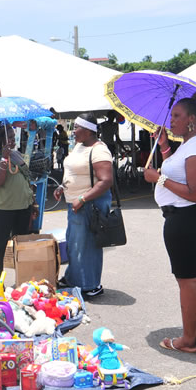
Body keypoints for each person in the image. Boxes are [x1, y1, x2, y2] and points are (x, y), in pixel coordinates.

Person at [144, 92, 196, 353]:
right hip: (183, 216)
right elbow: (175, 170)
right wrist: (164, 147)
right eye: (171, 115)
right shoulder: (189, 144)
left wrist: (158, 179)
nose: (171, 120)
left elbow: (195, 192)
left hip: (187, 216)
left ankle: (187, 340)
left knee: (187, 279)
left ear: (191, 120)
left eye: (176, 116)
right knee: (189, 278)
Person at [53, 113, 114, 297]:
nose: (73, 132)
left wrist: (83, 199)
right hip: (76, 204)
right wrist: (63, 187)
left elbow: (106, 181)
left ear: (88, 130)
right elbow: (74, 171)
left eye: (77, 127)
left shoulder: (99, 150)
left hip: (89, 205)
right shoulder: (80, 146)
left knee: (87, 246)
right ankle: (74, 278)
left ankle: (90, 286)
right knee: (74, 244)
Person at [0, 121, 34, 289]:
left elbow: (27, 175)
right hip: (5, 209)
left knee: (22, 246)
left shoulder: (17, 154)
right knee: (0, 245)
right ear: (0, 139)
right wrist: (4, 159)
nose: (13, 140)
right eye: (10, 137)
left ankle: (23, 281)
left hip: (23, 207)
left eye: (14, 136)